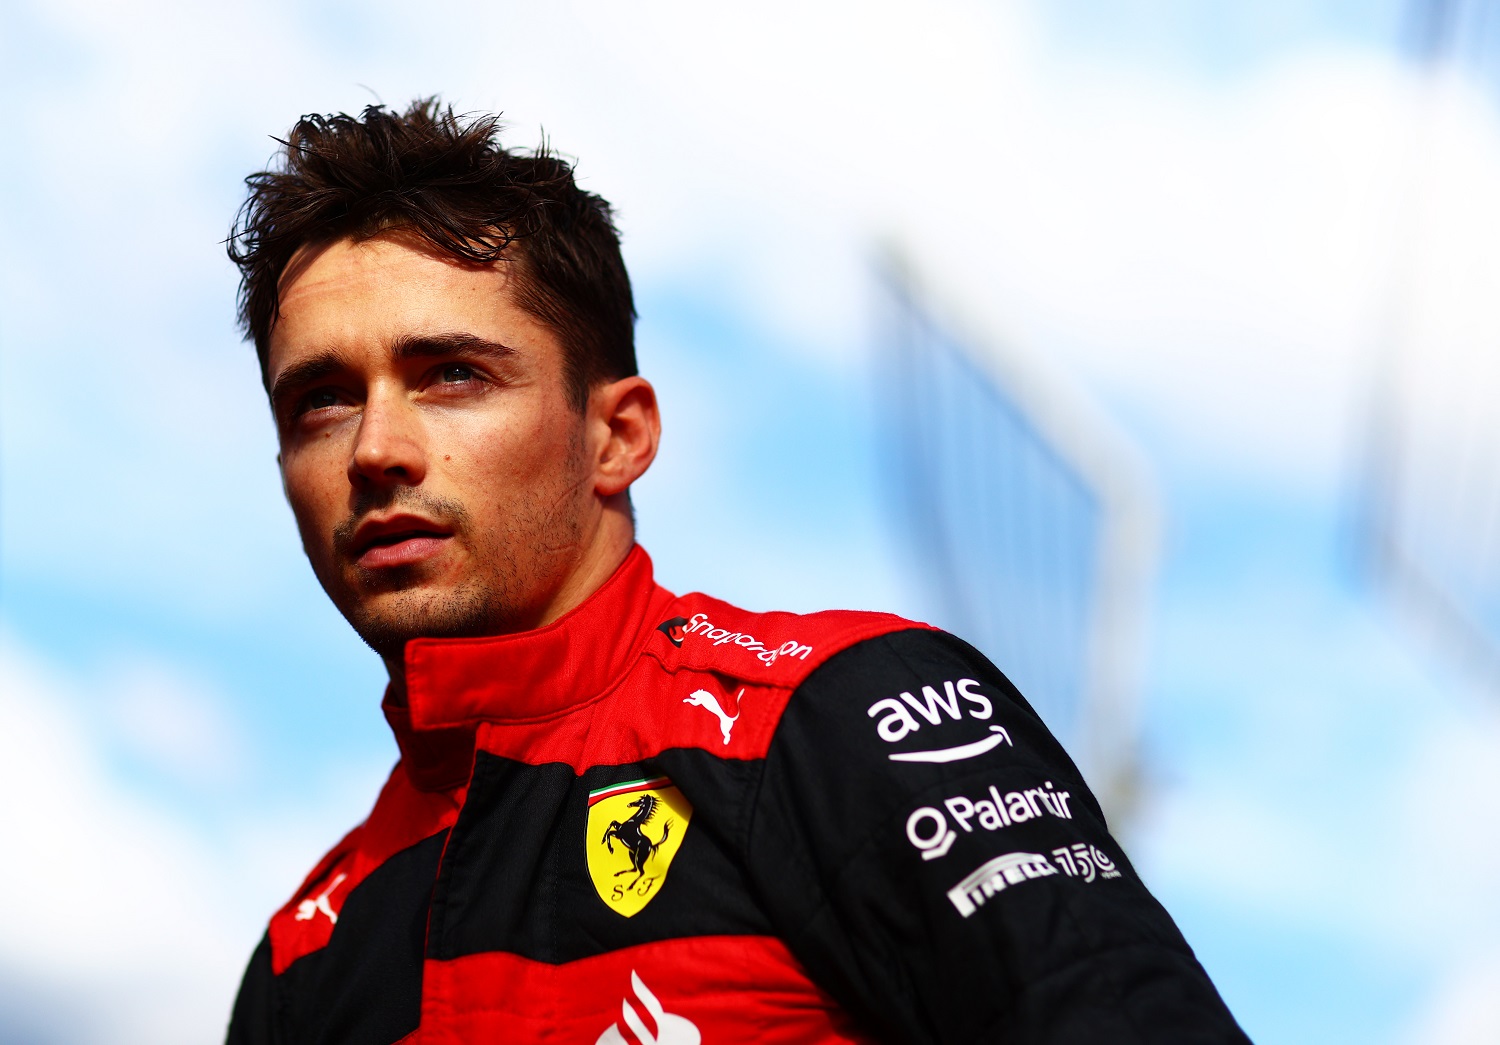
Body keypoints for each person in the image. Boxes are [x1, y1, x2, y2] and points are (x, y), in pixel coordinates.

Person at [224, 99, 1249, 1045]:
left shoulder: (853, 712)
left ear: (616, 435)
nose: (374, 449)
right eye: (319, 400)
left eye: (452, 375)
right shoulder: (303, 956)